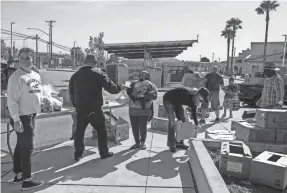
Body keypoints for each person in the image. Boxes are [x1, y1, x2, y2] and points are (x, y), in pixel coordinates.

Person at [69, 55, 123, 161]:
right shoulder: (99, 73)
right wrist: (120, 87)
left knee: (79, 132)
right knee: (101, 131)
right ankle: (104, 152)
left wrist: (76, 105)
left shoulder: (75, 75)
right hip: (94, 109)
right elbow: (112, 89)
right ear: (95, 63)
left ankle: (78, 154)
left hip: (81, 109)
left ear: (84, 62)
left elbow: (71, 93)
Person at [7, 48, 44, 191]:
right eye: (23, 58)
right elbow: (11, 101)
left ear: (33, 59)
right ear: (18, 60)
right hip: (21, 117)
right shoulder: (16, 77)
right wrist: (16, 120)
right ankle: (27, 180)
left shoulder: (36, 75)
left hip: (31, 114)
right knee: (28, 147)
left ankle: (18, 174)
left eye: (29, 58)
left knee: (20, 146)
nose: (26, 60)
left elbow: (37, 92)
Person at [163, 87, 210, 152]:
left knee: (184, 122)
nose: (201, 102)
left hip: (177, 101)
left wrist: (197, 124)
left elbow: (193, 113)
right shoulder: (186, 96)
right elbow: (177, 104)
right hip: (168, 99)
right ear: (198, 95)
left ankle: (179, 143)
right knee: (172, 122)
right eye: (201, 99)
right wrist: (178, 116)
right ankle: (171, 144)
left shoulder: (193, 101)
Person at [126, 70, 158, 150]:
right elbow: (154, 96)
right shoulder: (151, 85)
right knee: (138, 127)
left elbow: (154, 96)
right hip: (140, 109)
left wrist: (144, 96)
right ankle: (138, 143)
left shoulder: (150, 85)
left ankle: (141, 143)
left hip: (140, 109)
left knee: (139, 127)